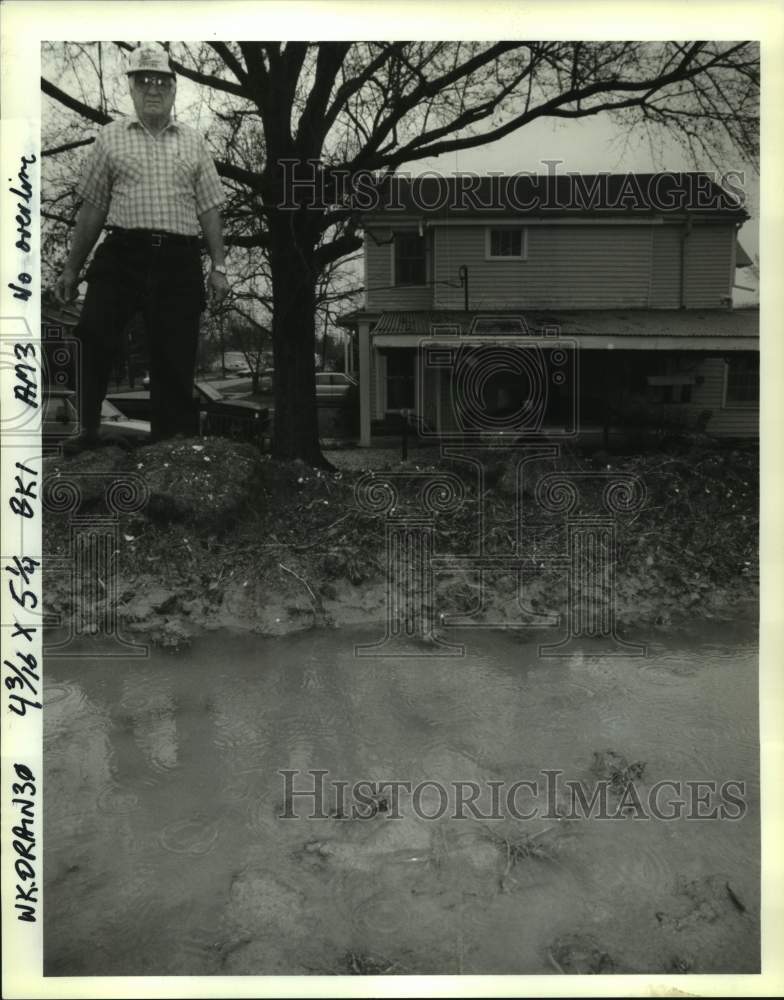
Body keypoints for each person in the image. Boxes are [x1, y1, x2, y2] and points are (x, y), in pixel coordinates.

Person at [53, 41, 229, 450]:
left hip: (179, 259)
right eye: (144, 80)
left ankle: (173, 446)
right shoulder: (109, 139)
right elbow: (94, 208)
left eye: (161, 82)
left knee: (174, 356)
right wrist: (70, 268)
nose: (153, 89)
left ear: (173, 89)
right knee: (92, 333)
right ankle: (86, 429)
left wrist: (219, 265)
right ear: (131, 88)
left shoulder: (194, 142)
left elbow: (210, 208)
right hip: (122, 254)